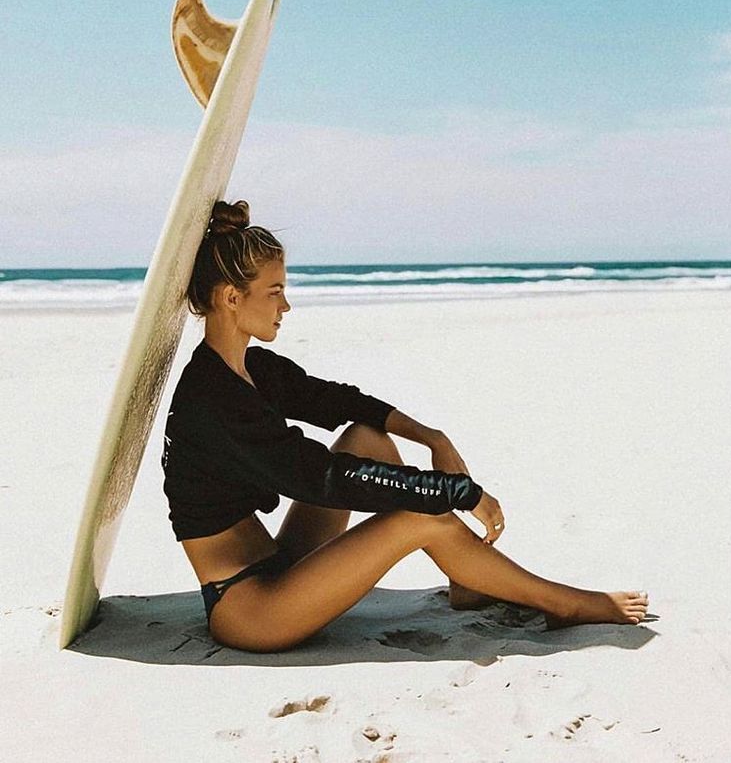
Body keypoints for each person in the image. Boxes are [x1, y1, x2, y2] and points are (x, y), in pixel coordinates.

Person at [161, 200, 648, 652]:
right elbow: (326, 480)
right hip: (250, 611)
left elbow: (337, 401)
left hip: (276, 568)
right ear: (230, 297)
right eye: (275, 292)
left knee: (367, 437)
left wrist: (432, 438)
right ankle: (566, 603)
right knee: (421, 514)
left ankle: (468, 582)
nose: (285, 306)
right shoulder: (213, 398)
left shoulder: (251, 369)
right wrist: (454, 490)